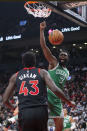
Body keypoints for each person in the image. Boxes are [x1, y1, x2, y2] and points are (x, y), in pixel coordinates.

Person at [3, 51, 75, 131]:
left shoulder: (15, 76)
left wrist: (13, 107)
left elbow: (5, 100)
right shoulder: (42, 72)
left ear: (23, 62)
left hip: (24, 112)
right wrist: (68, 101)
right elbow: (55, 89)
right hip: (40, 111)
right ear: (35, 61)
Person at [40, 21, 72, 131]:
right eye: (61, 55)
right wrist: (41, 30)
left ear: (68, 58)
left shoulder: (67, 71)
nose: (62, 56)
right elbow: (44, 47)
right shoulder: (54, 62)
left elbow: (61, 85)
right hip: (47, 96)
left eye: (64, 55)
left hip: (57, 100)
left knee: (60, 128)